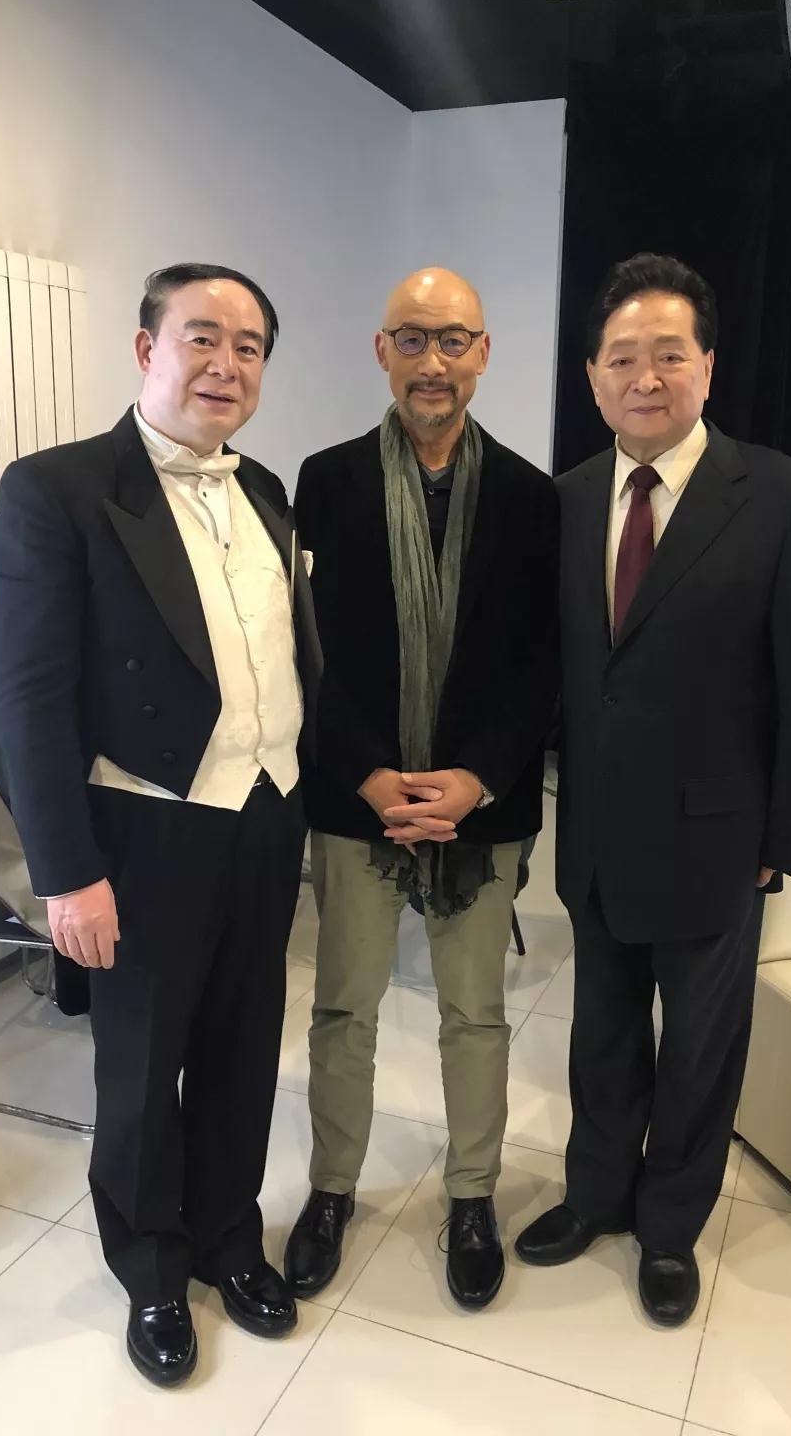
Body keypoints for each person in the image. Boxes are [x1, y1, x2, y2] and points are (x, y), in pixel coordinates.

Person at [0, 263, 319, 1385]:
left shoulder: (264, 487)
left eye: (250, 347)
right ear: (146, 349)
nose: (227, 364)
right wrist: (65, 873)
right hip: (141, 832)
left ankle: (228, 1238)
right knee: (141, 1066)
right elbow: (28, 697)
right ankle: (152, 1266)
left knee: (243, 1045)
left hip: (266, 816)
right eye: (201, 337)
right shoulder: (58, 490)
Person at [516, 252, 791, 1327]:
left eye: (668, 355)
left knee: (701, 1052)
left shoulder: (783, 500)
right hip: (597, 837)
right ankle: (595, 1196)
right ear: (592, 376)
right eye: (622, 359)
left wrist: (785, 841)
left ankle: (667, 1229)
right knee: (602, 1033)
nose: (644, 378)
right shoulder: (565, 502)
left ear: (707, 365)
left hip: (719, 840)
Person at [284, 268, 558, 1311]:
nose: (432, 362)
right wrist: (368, 774)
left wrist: (475, 780)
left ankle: (473, 1197)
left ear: (483, 352)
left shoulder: (531, 497)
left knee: (474, 1014)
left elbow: (542, 664)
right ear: (381, 351)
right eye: (411, 338)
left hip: (478, 807)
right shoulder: (325, 481)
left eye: (452, 340)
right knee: (343, 1006)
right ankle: (331, 1190)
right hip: (357, 795)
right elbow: (305, 653)